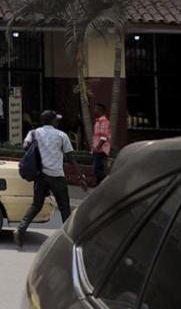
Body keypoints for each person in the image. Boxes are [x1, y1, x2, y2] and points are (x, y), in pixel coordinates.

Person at [14, 110, 88, 247]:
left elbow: (25, 146)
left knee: (36, 205)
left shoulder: (34, 133)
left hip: (41, 175)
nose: (57, 121)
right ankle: (69, 237)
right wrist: (80, 176)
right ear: (53, 121)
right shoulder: (61, 135)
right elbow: (71, 157)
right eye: (56, 120)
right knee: (64, 207)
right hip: (57, 176)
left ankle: (21, 229)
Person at [91, 103, 111, 184]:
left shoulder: (104, 121)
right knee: (99, 169)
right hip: (97, 149)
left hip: (101, 149)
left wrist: (98, 147)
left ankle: (109, 182)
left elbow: (104, 136)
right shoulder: (98, 121)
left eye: (96, 109)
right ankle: (99, 187)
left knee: (96, 169)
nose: (94, 111)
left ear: (101, 111)